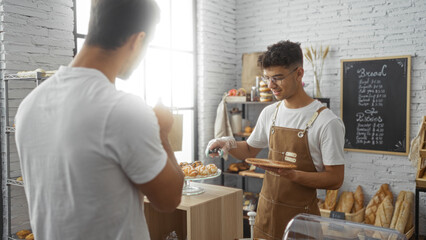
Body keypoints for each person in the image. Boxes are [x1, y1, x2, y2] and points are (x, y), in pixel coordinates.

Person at [14, 0, 184, 239]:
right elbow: (169, 200)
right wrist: (162, 132)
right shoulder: (123, 109)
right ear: (138, 40)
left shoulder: (29, 106)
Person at [206, 40, 345, 240]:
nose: (271, 86)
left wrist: (293, 175)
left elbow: (335, 178)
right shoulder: (270, 112)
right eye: (267, 78)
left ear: (299, 74)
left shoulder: (326, 121)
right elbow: (249, 151)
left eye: (278, 78)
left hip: (302, 223)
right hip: (266, 215)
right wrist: (228, 142)